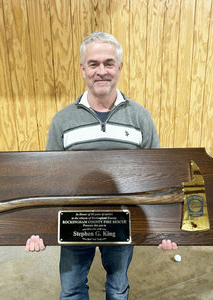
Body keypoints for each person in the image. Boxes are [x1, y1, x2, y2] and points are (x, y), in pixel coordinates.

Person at [25, 32, 178, 300]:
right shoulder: (63, 120)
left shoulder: (140, 118)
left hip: (121, 223)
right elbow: (48, 179)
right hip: (74, 223)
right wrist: (36, 228)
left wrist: (165, 228)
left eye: (109, 63)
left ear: (120, 67)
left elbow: (157, 178)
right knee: (71, 290)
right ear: (83, 69)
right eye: (93, 64)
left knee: (118, 290)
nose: (101, 71)